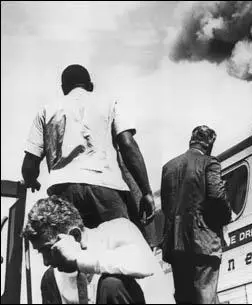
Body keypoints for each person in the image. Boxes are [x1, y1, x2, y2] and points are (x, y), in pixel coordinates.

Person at [21, 64, 155, 231]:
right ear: (91, 86)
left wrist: (31, 180)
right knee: (116, 247)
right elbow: (128, 145)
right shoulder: (110, 104)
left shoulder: (46, 111)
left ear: (64, 89)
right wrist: (146, 191)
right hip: (105, 185)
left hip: (63, 189)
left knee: (69, 251)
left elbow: (29, 164)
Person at [21, 195, 174, 304]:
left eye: (48, 250)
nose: (46, 261)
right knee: (49, 279)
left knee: (111, 285)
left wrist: (78, 259)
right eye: (41, 253)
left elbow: (144, 266)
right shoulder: (53, 278)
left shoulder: (119, 229)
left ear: (75, 235)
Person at [160, 125, 232, 304]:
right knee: (204, 296)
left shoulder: (168, 167)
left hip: (175, 245)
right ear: (209, 143)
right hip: (203, 243)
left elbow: (166, 207)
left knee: (185, 299)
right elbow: (217, 198)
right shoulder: (210, 162)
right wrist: (225, 218)